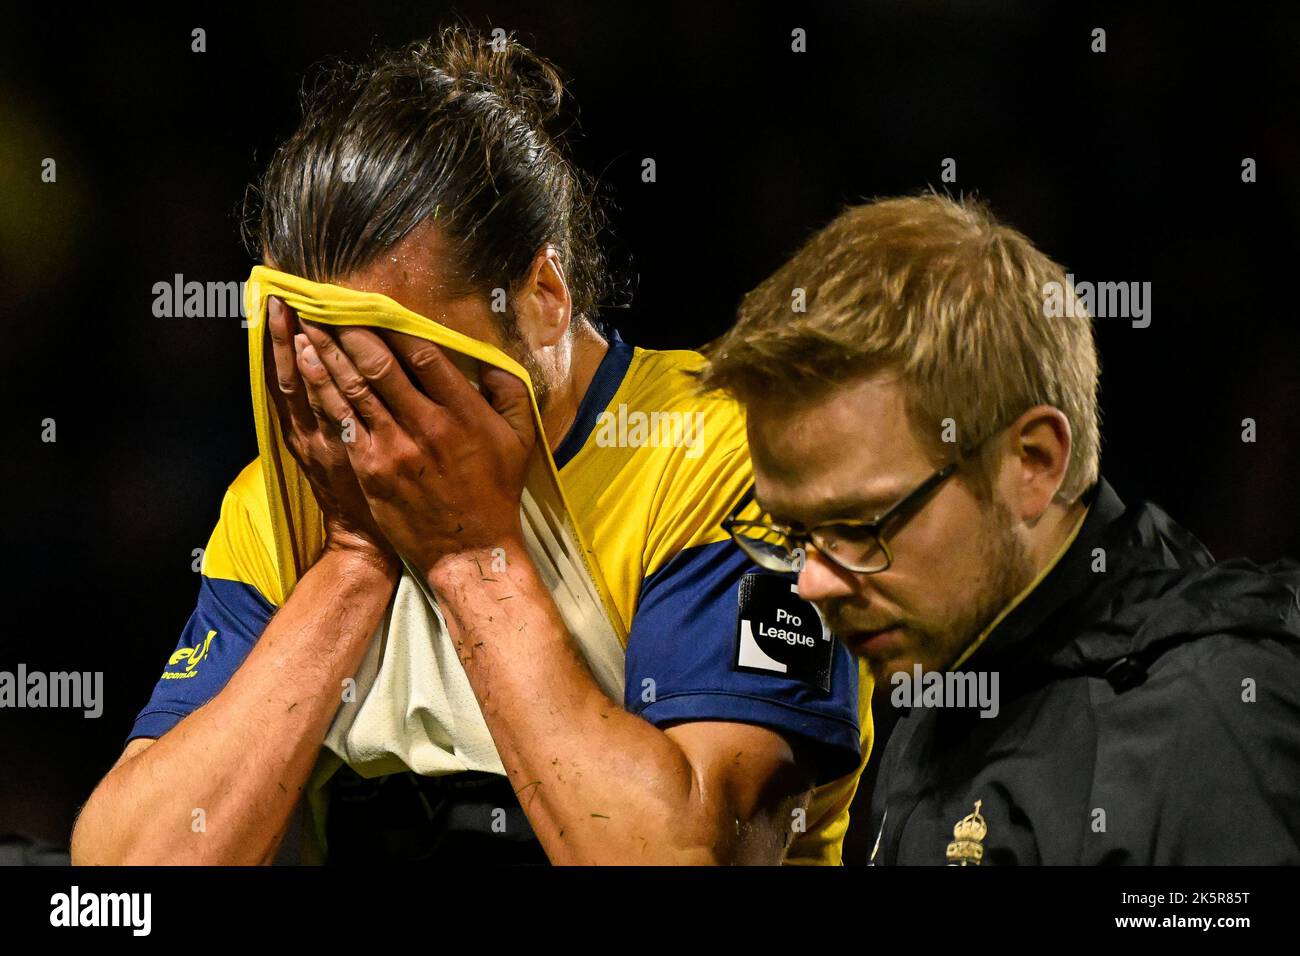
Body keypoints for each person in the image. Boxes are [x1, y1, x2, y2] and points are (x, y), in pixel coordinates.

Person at [70, 28, 869, 866]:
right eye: (323, 357)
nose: (360, 410)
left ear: (544, 297)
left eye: (397, 360)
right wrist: (350, 561)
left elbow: (686, 856)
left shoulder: (719, 451)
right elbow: (126, 883)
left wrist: (469, 553)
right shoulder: (287, 501)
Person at [699, 193, 1300, 864]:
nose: (812, 582)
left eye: (860, 525)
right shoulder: (944, 674)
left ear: (1033, 462)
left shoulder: (1209, 725)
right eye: (792, 534)